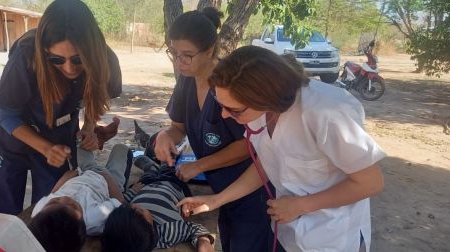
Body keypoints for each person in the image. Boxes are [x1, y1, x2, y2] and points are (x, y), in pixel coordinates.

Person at [178, 46, 386, 252]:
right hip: (289, 230)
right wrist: (216, 200)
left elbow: (371, 183)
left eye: (233, 110)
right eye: (220, 104)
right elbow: (267, 162)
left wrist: (301, 205)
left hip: (331, 236)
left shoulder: (327, 114)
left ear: (265, 98)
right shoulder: (258, 112)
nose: (224, 115)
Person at [0, 0, 122, 215]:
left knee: (53, 210)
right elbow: (7, 113)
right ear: (45, 51)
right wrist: (45, 147)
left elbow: (92, 98)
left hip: (58, 141)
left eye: (77, 59)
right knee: (2, 214)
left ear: (92, 51)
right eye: (57, 59)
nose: (69, 68)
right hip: (8, 140)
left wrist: (89, 129)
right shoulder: (26, 57)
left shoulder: (106, 62)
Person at [154, 8, 275, 252]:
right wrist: (165, 136)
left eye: (187, 55)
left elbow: (248, 144)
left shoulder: (232, 85)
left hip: (251, 190)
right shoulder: (186, 82)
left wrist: (200, 166)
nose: (179, 62)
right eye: (174, 53)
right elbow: (179, 126)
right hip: (220, 190)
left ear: (210, 50)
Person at [27, 143, 133, 251]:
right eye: (70, 205)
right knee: (121, 148)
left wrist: (65, 178)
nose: (64, 198)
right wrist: (107, 177)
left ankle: (97, 139)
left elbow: (52, 193)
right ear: (79, 215)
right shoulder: (95, 218)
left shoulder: (40, 213)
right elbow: (120, 202)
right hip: (109, 182)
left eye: (54, 201)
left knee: (82, 142)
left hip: (83, 172)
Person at [101, 155, 214, 252]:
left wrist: (133, 191)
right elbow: (194, 229)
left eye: (128, 207)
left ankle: (151, 167)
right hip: (172, 185)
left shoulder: (121, 220)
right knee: (171, 168)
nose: (135, 205)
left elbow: (124, 201)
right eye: (140, 211)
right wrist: (203, 241)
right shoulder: (169, 231)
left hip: (145, 185)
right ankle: (163, 162)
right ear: (151, 229)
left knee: (149, 174)